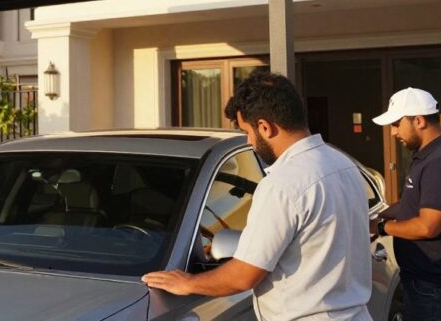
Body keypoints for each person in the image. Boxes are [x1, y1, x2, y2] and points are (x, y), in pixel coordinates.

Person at [142, 72, 372, 321]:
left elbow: (243, 276)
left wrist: (188, 282)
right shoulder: (343, 164)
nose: (250, 141)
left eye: (248, 131)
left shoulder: (282, 184)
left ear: (265, 127)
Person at [371, 87, 441, 320]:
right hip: (429, 286)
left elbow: (428, 226)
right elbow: (414, 202)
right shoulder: (428, 156)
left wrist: (382, 228)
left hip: (438, 289)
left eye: (397, 124)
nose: (393, 132)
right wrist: (380, 216)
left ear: (418, 120)